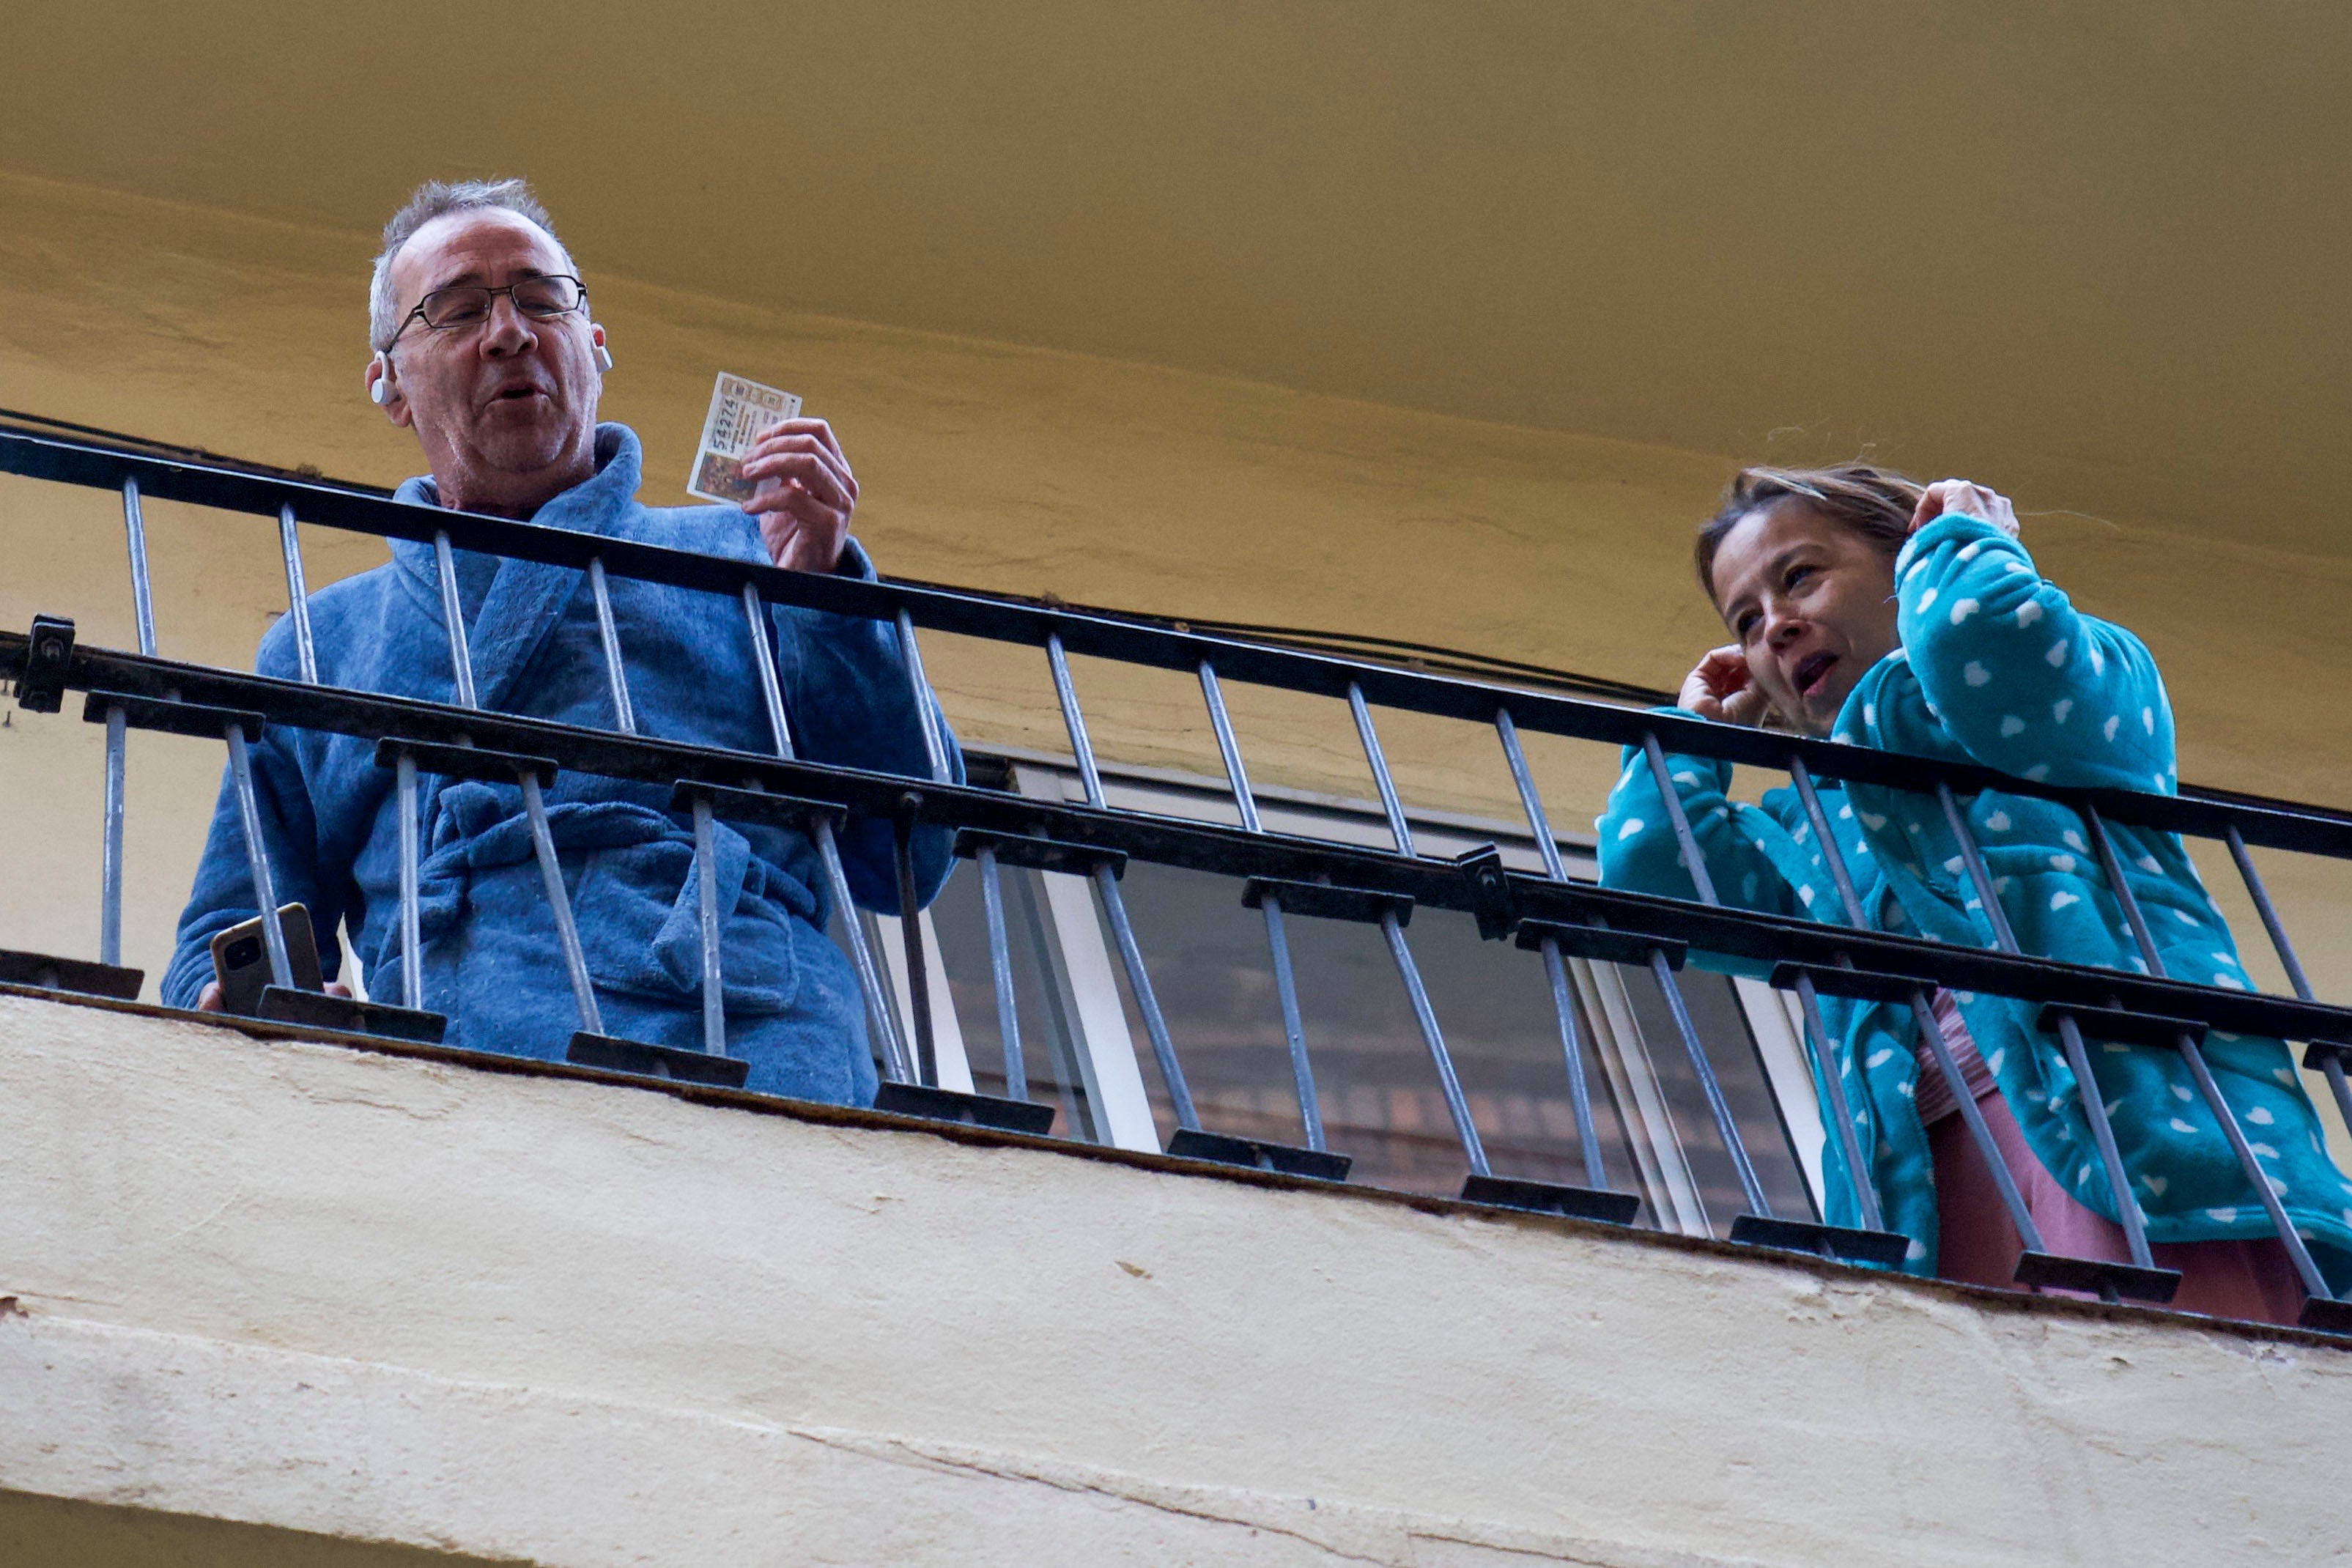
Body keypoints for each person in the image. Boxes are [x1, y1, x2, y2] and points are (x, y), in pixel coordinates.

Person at [160, 177, 959, 1107]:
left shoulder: (749, 552)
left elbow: (910, 854)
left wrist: (825, 591)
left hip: (753, 1037)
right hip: (460, 1071)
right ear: (390, 386)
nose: (509, 332)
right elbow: (231, 925)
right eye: (459, 309)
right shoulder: (320, 643)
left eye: (542, 301)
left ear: (595, 346)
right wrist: (245, 1004)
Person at [1598, 463, 2352, 1321]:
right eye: (1745, 619)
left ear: (1904, 560)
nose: (1775, 626)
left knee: (2151, 1363)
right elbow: (1652, 877)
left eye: (1799, 576)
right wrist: (1691, 734)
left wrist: (1959, 543)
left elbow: (1981, 640)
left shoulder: (2074, 673)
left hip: (2122, 1134)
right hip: (1927, 1177)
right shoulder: (1809, 821)